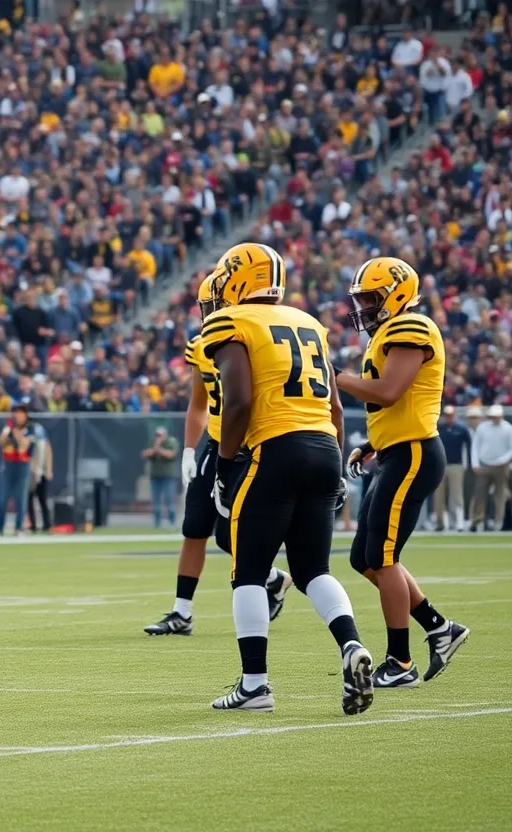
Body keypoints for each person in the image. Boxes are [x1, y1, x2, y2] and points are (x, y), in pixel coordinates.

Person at [199, 242, 372, 715]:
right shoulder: (309, 323)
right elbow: (336, 407)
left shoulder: (232, 321)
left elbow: (237, 401)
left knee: (249, 572)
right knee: (314, 569)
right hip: (323, 446)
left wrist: (226, 464)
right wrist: (335, 465)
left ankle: (255, 685)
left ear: (237, 278)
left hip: (274, 448)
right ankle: (351, 646)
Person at [337, 257, 468, 688]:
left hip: (413, 454)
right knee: (364, 559)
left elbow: (390, 392)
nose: (364, 307)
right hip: (395, 453)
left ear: (394, 294)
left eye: (370, 299)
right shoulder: (387, 334)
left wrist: (335, 376)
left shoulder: (411, 328)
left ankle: (400, 661)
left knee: (383, 557)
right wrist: (372, 444)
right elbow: (402, 399)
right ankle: (439, 627)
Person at [146, 273, 290, 636]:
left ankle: (271, 578)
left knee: (230, 534)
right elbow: (198, 404)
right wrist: (190, 450)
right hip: (215, 439)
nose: (208, 312)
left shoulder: (255, 339)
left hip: (249, 442)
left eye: (215, 304)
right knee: (194, 526)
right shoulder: (202, 344)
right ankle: (182, 612)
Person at [469, 404, 512, 531]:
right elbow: (475, 445)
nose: (494, 419)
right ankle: (477, 521)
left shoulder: (508, 428)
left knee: (500, 495)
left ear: (501, 416)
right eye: (492, 416)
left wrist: (503, 460)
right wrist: (475, 463)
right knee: (480, 494)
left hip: (501, 467)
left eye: (496, 416)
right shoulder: (482, 428)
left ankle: (498, 522)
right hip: (484, 465)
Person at [0, 405, 33, 535]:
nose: (18, 416)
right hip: (8, 464)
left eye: (21, 414)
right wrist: (7, 432)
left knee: (21, 498)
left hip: (23, 465)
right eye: (16, 414)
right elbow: (1, 442)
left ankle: (19, 528)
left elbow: (24, 445)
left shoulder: (30, 429)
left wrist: (17, 434)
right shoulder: (8, 428)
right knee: (2, 498)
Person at [433, 405, 470, 531]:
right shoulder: (438, 428)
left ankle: (459, 522)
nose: (449, 418)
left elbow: (468, 447)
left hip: (456, 465)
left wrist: (466, 465)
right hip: (440, 466)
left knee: (457, 495)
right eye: (447, 415)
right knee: (439, 495)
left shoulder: (461, 429)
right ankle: (441, 523)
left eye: (451, 415)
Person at [142, 427, 179, 528]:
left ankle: (172, 522)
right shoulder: (153, 442)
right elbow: (145, 454)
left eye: (160, 435)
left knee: (169, 499)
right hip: (155, 475)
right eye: (157, 435)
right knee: (156, 500)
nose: (158, 437)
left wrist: (159, 450)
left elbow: (171, 454)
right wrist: (155, 447)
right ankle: (157, 523)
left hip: (168, 476)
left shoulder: (171, 442)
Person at [27, 418, 52, 533]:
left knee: (42, 499)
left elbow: (48, 453)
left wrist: (48, 470)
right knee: (30, 499)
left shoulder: (42, 440)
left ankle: (47, 524)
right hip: (31, 472)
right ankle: (33, 525)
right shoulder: (30, 437)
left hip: (40, 471)